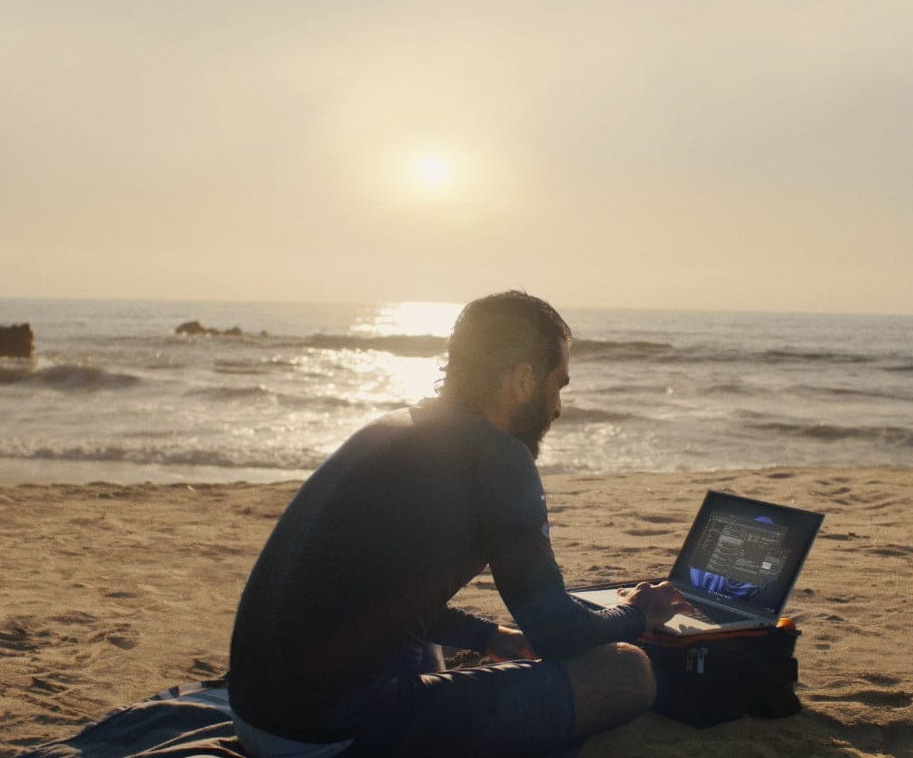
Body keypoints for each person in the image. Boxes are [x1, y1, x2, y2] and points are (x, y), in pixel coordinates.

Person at [227, 291, 689, 757]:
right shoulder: (500, 460)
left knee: (424, 651)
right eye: (559, 384)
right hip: (332, 739)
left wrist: (489, 637)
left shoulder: (393, 428)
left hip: (255, 713)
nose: (557, 408)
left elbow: (379, 594)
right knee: (627, 673)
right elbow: (557, 633)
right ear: (523, 379)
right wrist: (637, 612)